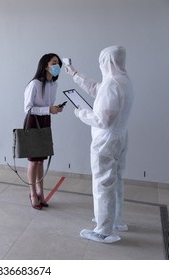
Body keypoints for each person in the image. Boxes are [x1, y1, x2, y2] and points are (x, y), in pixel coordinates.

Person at [65, 46, 134, 243]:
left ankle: (104, 230)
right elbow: (98, 89)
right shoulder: (123, 80)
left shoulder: (112, 84)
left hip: (106, 140)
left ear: (108, 62)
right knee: (116, 180)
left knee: (103, 183)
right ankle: (115, 220)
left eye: (102, 62)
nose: (101, 65)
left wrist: (81, 113)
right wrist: (75, 74)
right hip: (120, 137)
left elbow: (103, 120)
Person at [24, 53, 64, 209]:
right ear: (45, 65)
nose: (57, 66)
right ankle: (32, 193)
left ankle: (41, 192)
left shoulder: (54, 85)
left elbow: (48, 105)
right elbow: (28, 109)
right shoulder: (34, 84)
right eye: (54, 62)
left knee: (41, 160)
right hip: (33, 122)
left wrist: (54, 109)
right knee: (34, 162)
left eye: (58, 63)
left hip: (46, 121)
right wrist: (48, 109)